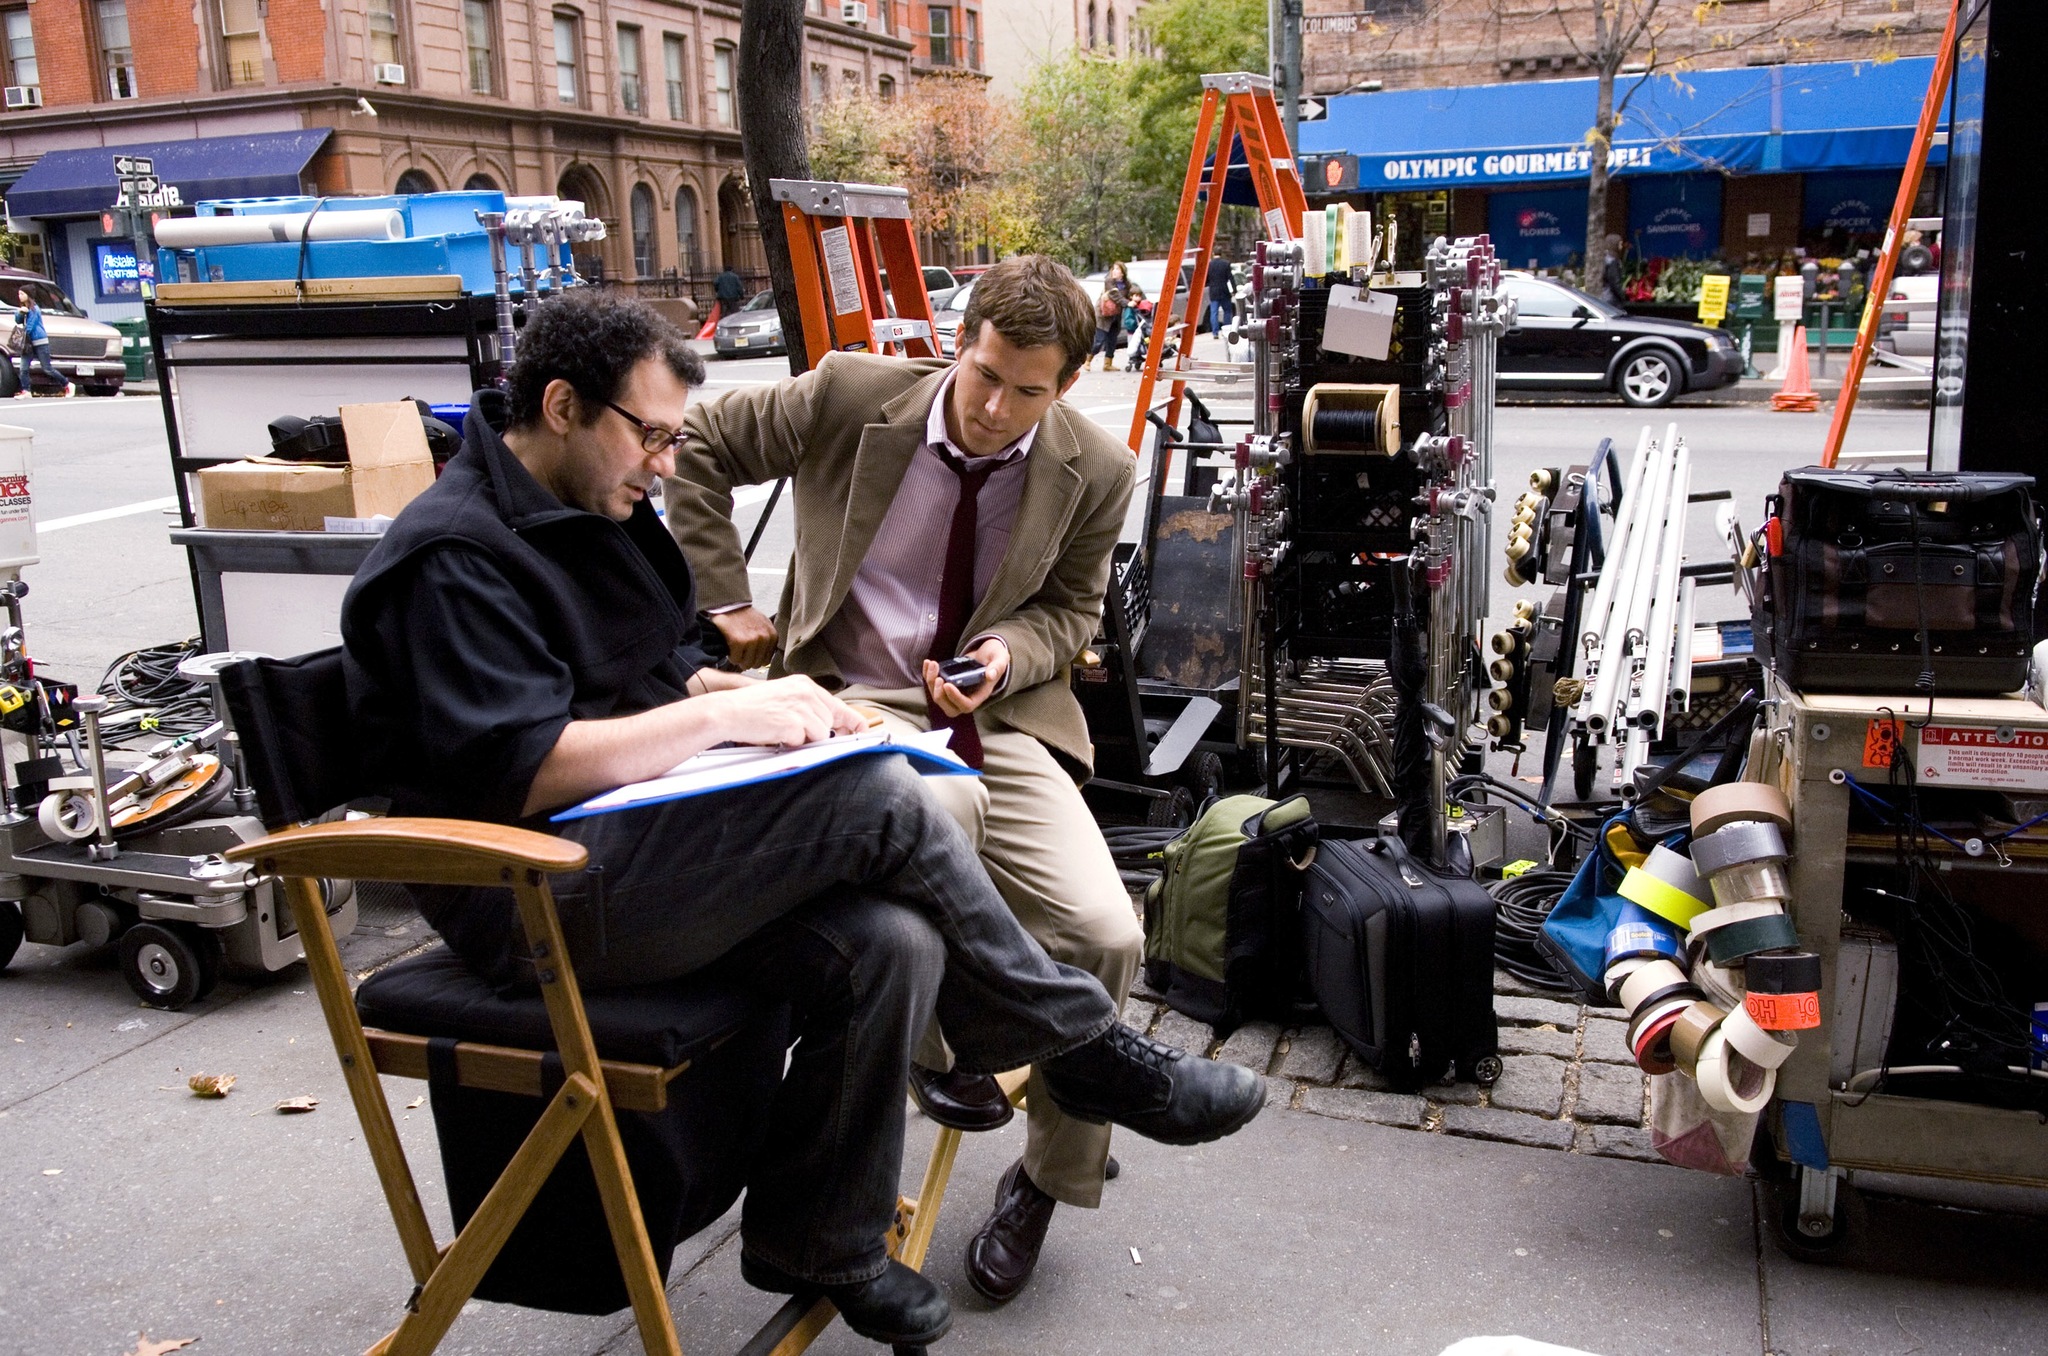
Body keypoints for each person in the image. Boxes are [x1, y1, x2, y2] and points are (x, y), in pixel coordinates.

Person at [341, 288, 1263, 1349]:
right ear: (559, 407)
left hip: (614, 848)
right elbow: (527, 769)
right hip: (528, 900)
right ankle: (1080, 1042)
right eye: (650, 436)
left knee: (891, 937)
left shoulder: (592, 506)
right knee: (876, 794)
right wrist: (731, 710)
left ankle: (817, 1236)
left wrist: (724, 701)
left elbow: (658, 666)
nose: (667, 465)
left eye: (673, 439)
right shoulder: (453, 557)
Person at [666, 254, 1147, 1304]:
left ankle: (1045, 1180)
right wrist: (721, 597)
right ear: (956, 345)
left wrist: (1006, 658)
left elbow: (1070, 611)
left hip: (998, 716)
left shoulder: (1096, 469)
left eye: (1027, 391)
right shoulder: (851, 392)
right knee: (939, 802)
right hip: (849, 695)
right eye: (983, 374)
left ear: (1062, 387)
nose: (992, 407)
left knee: (1107, 934)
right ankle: (950, 1046)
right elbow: (694, 443)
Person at [13, 295, 74, 399]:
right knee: (23, 368)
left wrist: (21, 335)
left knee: (47, 368)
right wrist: (20, 312)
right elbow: (18, 321)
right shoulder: (24, 308)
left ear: (28, 295)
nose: (19, 296)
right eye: (18, 294)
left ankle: (67, 384)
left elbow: (30, 326)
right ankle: (26, 390)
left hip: (39, 341)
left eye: (22, 294)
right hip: (28, 343)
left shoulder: (35, 309)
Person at [1089, 262, 1137, 372]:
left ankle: (1107, 364)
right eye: (1113, 269)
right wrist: (1127, 303)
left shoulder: (1127, 284)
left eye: (1117, 269)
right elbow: (1114, 295)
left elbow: (1133, 292)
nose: (1114, 271)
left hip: (1116, 315)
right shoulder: (1109, 282)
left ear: (1122, 272)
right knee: (1099, 341)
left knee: (1112, 340)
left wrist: (1138, 300)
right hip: (1103, 315)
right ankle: (1087, 361)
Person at [1204, 254, 1234, 337]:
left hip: (1213, 291)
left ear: (1213, 253)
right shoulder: (1226, 263)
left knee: (1214, 312)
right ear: (1221, 253)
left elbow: (1206, 279)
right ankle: (1227, 331)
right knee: (1227, 311)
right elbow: (1230, 278)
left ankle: (1215, 332)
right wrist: (1234, 290)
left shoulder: (1209, 265)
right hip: (1224, 290)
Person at [1599, 234, 1627, 308]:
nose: (1621, 247)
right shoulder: (1613, 261)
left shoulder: (1605, 258)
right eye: (1620, 244)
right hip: (1612, 300)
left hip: (1605, 297)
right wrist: (1623, 296)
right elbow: (1615, 282)